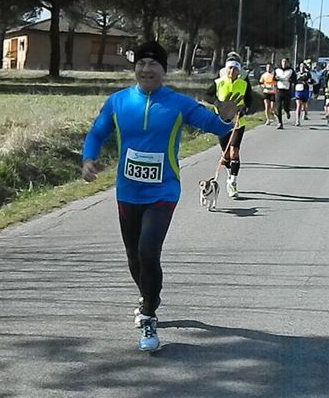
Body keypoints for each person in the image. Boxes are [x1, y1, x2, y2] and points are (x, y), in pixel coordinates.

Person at [82, 41, 242, 352]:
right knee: (133, 258)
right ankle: (149, 295)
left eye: (153, 65)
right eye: (141, 64)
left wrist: (224, 117)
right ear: (135, 69)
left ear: (163, 72)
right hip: (127, 191)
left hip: (163, 191)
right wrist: (88, 158)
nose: (146, 69)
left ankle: (148, 315)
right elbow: (97, 132)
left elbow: (211, 123)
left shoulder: (178, 104)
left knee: (147, 252)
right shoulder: (118, 102)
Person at [207, 56, 253, 198]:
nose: (231, 71)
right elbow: (207, 95)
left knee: (234, 152)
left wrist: (244, 109)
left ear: (239, 71)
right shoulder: (218, 83)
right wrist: (217, 103)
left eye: (234, 68)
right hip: (221, 122)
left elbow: (249, 100)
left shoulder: (243, 84)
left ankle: (233, 182)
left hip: (238, 122)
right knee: (226, 154)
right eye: (229, 68)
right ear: (225, 69)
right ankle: (229, 173)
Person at [274, 58, 294, 129]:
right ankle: (280, 123)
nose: (284, 63)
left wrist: (290, 80)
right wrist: (276, 78)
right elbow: (274, 78)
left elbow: (295, 79)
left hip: (287, 91)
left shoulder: (291, 70)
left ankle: (287, 111)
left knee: (286, 106)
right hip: (279, 90)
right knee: (278, 107)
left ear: (288, 63)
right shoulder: (277, 70)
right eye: (283, 62)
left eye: (285, 62)